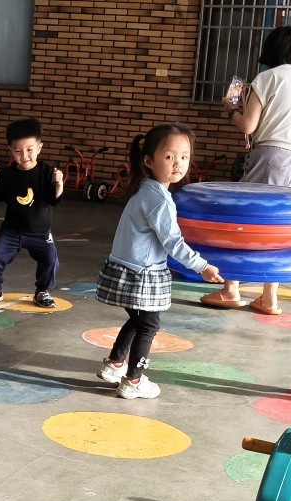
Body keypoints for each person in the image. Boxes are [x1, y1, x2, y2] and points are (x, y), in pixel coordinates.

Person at [95, 124, 223, 400]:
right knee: (148, 325)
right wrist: (202, 266)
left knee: (138, 318)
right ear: (148, 161)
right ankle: (133, 379)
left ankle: (115, 363)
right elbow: (173, 243)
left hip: (125, 268)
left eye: (184, 156)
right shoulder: (160, 200)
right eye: (169, 156)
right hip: (141, 274)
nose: (178, 163)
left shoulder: (145, 188)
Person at [202, 26, 291, 315]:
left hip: (273, 156)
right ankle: (269, 298)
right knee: (280, 227)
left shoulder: (267, 78)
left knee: (247, 218)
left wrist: (231, 110)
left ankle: (230, 290)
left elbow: (248, 125)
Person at [0, 118, 64, 308]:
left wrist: (59, 184)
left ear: (39, 148)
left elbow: (53, 199)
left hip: (40, 232)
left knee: (50, 260)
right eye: (18, 151)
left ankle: (43, 291)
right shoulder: (7, 175)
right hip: (12, 229)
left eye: (30, 150)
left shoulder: (46, 172)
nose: (24, 156)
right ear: (10, 149)